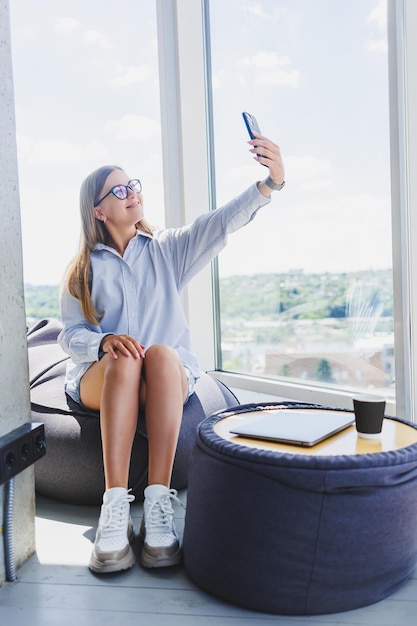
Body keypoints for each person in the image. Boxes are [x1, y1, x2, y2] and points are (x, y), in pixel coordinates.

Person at [58, 132, 285, 574]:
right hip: (104, 378)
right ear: (98, 211)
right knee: (125, 358)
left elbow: (220, 223)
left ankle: (158, 504)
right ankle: (115, 509)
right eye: (119, 190)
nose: (132, 194)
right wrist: (102, 342)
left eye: (134, 185)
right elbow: (70, 335)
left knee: (160, 354)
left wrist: (269, 183)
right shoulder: (83, 269)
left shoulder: (167, 249)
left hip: (163, 377)